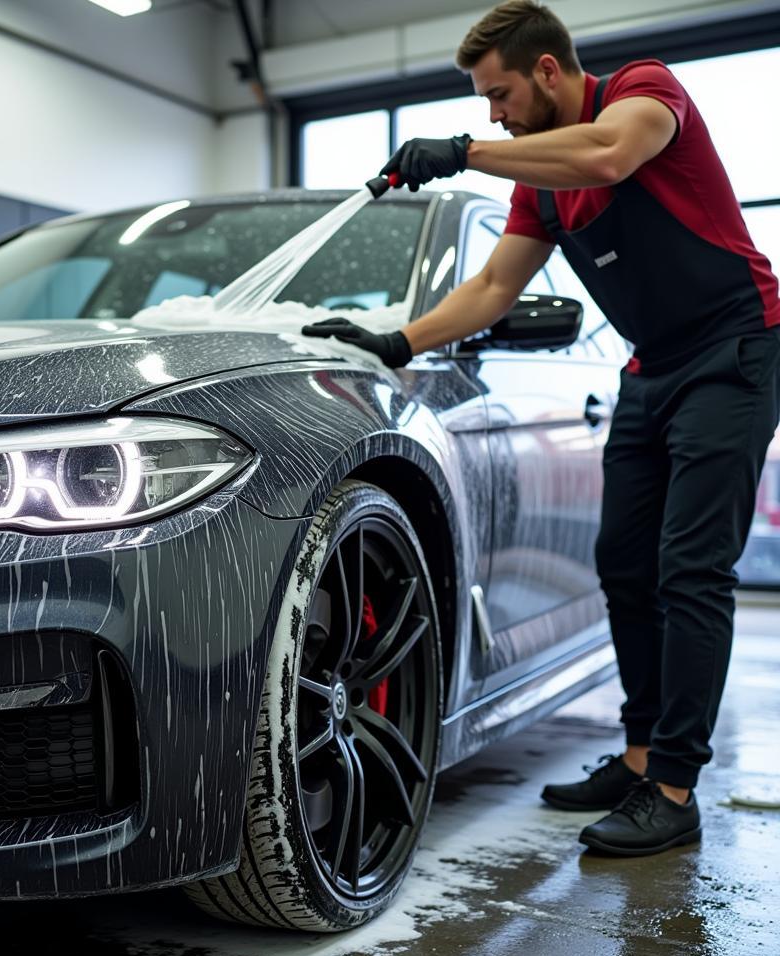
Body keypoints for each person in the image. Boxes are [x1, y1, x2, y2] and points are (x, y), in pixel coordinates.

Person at [303, 0, 780, 856]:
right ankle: (638, 760)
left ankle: (673, 789)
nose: (493, 113)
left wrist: (462, 155)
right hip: (653, 366)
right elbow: (492, 290)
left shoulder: (642, 91)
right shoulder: (541, 189)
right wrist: (397, 339)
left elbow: (610, 152)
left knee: (690, 569)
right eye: (484, 105)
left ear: (549, 73)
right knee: (624, 564)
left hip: (735, 349)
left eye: (499, 94)